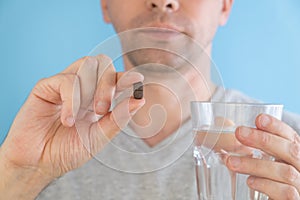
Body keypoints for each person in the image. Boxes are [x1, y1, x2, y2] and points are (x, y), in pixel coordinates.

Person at [0, 0, 299, 199]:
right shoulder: (45, 143)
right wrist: (19, 176)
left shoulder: (289, 155)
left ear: (224, 6)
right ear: (106, 4)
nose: (163, 0)